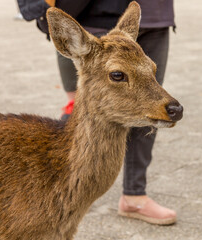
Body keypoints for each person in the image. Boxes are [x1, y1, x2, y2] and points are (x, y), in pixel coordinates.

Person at [17, 0, 177, 225]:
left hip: (155, 16)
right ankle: (65, 191)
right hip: (93, 15)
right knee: (81, 109)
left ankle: (134, 195)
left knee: (149, 108)